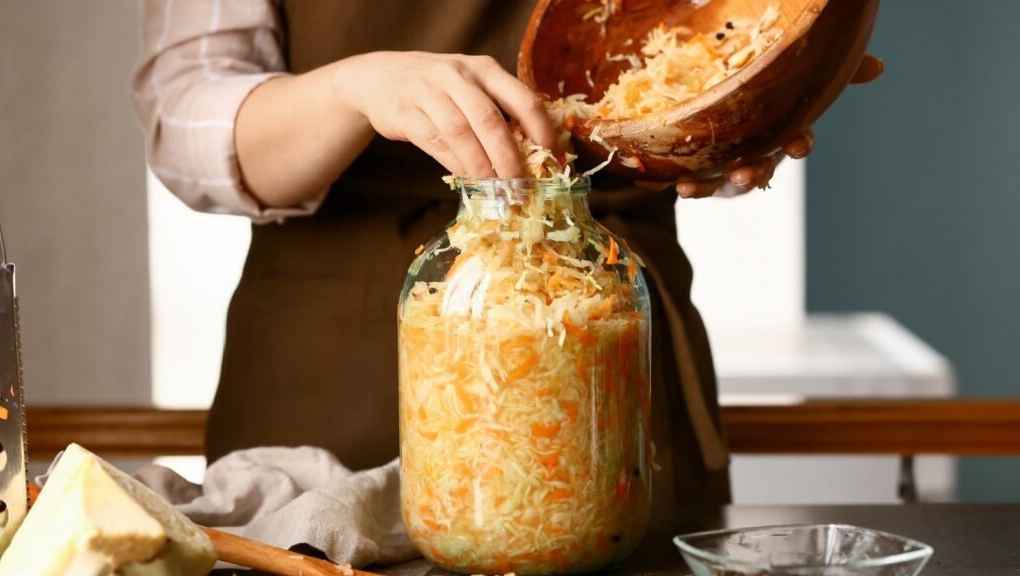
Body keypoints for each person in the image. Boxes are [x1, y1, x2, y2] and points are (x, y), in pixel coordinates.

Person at [132, 0, 880, 526]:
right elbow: (184, 119)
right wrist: (351, 89)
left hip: (609, 338)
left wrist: (721, 116)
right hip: (326, 373)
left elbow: (704, 31)